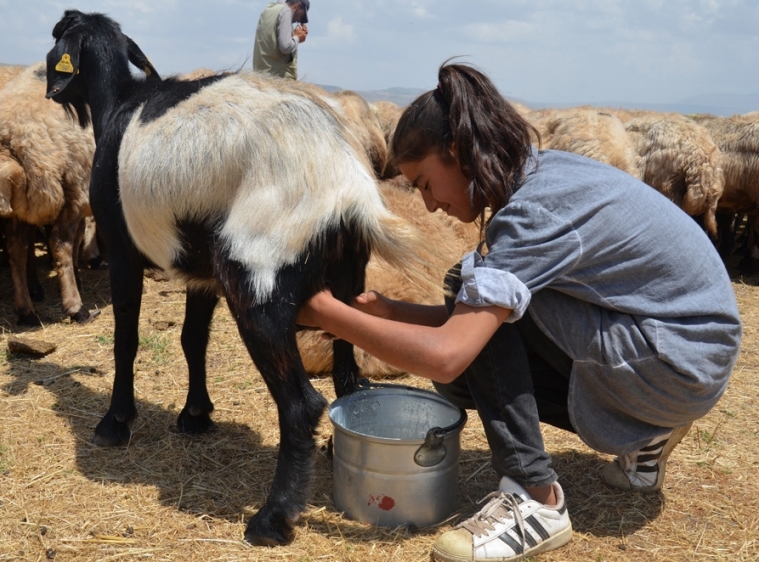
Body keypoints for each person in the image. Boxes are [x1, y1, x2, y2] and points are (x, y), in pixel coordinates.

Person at [297, 61, 742, 562]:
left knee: (472, 287)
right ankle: (648, 434)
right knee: (470, 344)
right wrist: (391, 311)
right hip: (684, 355)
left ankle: (535, 499)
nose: (426, 204)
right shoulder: (540, 174)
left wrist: (326, 313)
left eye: (424, 183)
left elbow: (448, 353)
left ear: (458, 152)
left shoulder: (534, 212)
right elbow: (463, 340)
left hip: (675, 358)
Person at [252, 0, 309, 80]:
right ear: (297, 6)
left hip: (260, 73)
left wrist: (294, 35)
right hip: (277, 77)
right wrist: (298, 38)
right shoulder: (287, 12)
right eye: (301, 16)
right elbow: (285, 47)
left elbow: (272, 42)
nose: (299, 20)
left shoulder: (269, 9)